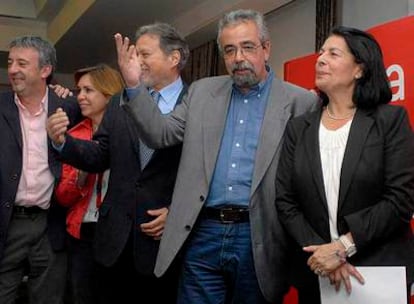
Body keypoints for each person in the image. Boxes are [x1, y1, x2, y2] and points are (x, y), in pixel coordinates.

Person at [117, 9, 319, 304]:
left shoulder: (300, 101)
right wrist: (135, 86)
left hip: (259, 235)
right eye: (229, 50)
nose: (238, 57)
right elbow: (160, 134)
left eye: (247, 47)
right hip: (203, 232)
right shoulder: (201, 92)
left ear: (266, 48)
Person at [46, 22, 189, 304]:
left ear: (174, 58)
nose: (136, 62)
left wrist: (179, 212)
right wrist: (63, 142)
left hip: (166, 241)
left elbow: (205, 172)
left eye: (144, 55)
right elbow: (100, 155)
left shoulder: (198, 103)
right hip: (115, 241)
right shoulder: (120, 103)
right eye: (135, 55)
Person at [275, 26, 414, 303]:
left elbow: (401, 198)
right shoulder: (298, 128)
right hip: (316, 273)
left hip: (378, 271)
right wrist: (323, 254)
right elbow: (286, 201)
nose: (320, 59)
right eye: (321, 52)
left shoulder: (390, 121)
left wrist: (343, 247)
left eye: (333, 53)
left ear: (359, 70)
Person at [0, 36, 82, 303]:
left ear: (45, 71)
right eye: (10, 62)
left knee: (49, 297)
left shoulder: (70, 106)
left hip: (52, 223)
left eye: (22, 63)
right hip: (7, 221)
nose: (12, 69)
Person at [54, 64, 124, 304]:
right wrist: (80, 178)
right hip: (81, 231)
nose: (80, 96)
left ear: (108, 93)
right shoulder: (73, 135)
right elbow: (62, 197)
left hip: (116, 232)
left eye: (88, 90)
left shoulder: (126, 133)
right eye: (78, 90)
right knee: (80, 295)